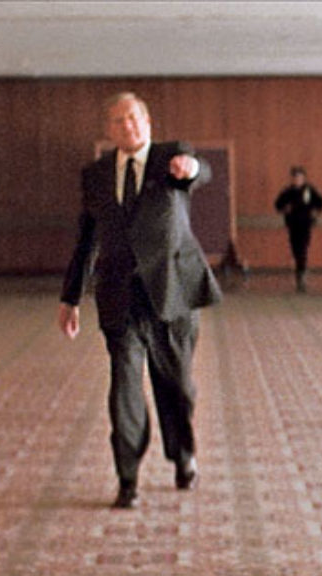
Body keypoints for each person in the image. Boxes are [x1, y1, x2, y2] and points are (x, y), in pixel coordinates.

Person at [57, 92, 222, 510]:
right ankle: (127, 476)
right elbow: (86, 239)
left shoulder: (170, 156)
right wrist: (70, 297)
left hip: (172, 292)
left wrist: (191, 168)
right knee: (124, 388)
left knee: (177, 386)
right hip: (120, 296)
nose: (126, 125)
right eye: (117, 120)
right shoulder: (95, 174)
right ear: (108, 130)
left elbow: (198, 172)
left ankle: (183, 456)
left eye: (132, 117)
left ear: (147, 122)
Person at [274, 165, 322, 292]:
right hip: (293, 224)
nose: (298, 180)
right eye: (296, 177)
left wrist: (315, 212)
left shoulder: (309, 190)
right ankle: (299, 270)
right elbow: (277, 204)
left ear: (303, 178)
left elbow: (320, 202)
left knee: (303, 248)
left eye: (300, 177)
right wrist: (285, 209)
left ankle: (301, 273)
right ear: (292, 179)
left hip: (305, 224)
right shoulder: (288, 192)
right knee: (295, 249)